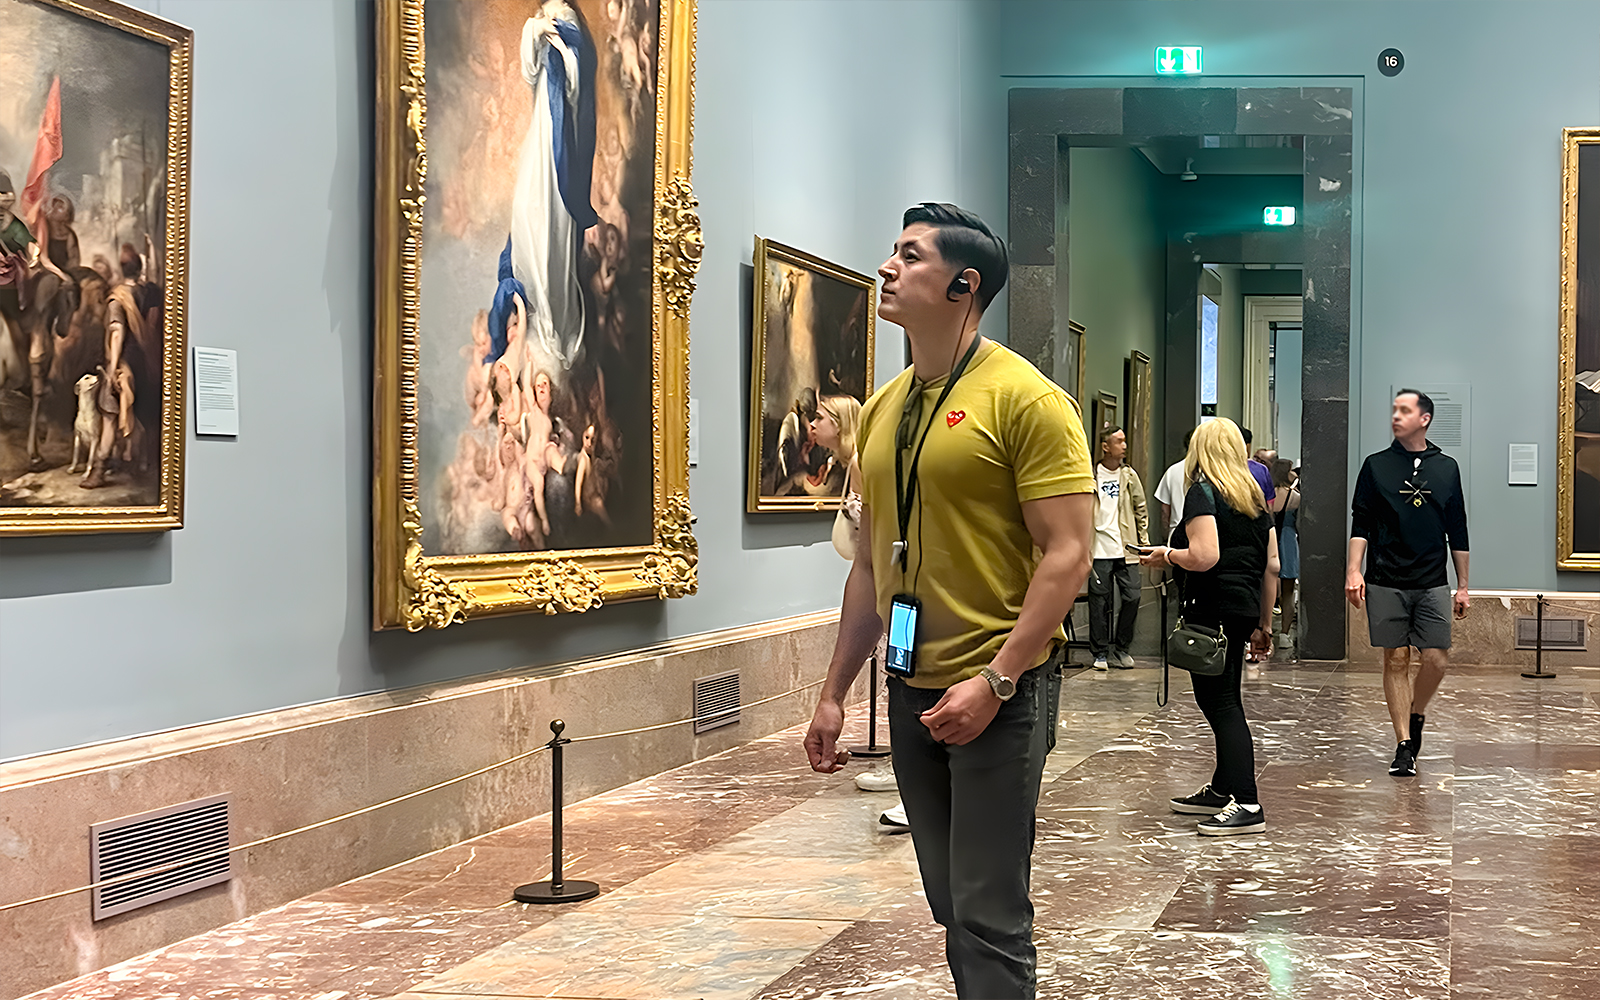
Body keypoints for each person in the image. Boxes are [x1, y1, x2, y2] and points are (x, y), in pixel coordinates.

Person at [804, 202, 1094, 998]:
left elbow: (1068, 555)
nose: (888, 269)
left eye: (911, 256)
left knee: (988, 907)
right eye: (891, 252)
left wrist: (997, 680)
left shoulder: (1026, 401)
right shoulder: (887, 408)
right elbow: (869, 565)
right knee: (949, 898)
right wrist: (833, 693)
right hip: (911, 684)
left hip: (1002, 690)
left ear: (964, 284)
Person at [1140, 418, 1278, 836]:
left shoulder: (1202, 493)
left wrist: (1167, 553)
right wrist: (1264, 624)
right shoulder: (1254, 498)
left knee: (1220, 705)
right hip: (1241, 609)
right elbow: (1272, 564)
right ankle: (1222, 788)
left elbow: (1203, 555)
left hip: (1211, 608)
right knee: (1224, 698)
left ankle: (1247, 802)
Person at [1346, 389, 1469, 778]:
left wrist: (1463, 584)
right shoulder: (1375, 466)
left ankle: (1416, 713)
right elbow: (1361, 523)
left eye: (1404, 410)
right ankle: (1403, 745)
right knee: (1396, 659)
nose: (1395, 416)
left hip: (1432, 579)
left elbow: (1458, 529)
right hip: (1385, 578)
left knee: (1436, 659)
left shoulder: (1447, 467)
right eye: (1394, 410)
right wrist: (1353, 570)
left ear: (1425, 418)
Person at [812, 395, 906, 826]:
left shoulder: (866, 463)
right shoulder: (861, 461)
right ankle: (909, 776)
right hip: (891, 595)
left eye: (821, 417)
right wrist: (831, 696)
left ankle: (913, 781)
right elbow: (866, 562)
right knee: (900, 675)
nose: (813, 425)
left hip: (911, 596)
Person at [1088, 425, 1149, 670]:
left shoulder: (1129, 476)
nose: (1124, 446)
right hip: (1098, 548)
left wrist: (1143, 543)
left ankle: (1122, 648)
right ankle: (1100, 652)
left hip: (1126, 548)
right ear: (1105, 446)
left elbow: (1140, 509)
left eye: (1124, 441)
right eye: (1119, 441)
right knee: (1099, 602)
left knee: (1132, 596)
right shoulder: (1091, 474)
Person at [1269, 459, 1300, 652]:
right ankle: (1285, 634)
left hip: (1269, 542)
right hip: (1287, 543)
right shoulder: (1295, 497)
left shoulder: (1266, 495)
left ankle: (1263, 630)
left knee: (1266, 588)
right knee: (1287, 593)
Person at [1154, 428, 1194, 540]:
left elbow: (1165, 511)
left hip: (1175, 532)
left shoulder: (1172, 471)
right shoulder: (1210, 472)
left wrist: (1166, 536)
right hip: (1202, 534)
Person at [1240, 428, 1277, 506]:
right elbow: (1270, 505)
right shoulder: (1260, 470)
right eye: (1255, 458)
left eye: (1262, 461)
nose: (1257, 461)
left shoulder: (1261, 470)